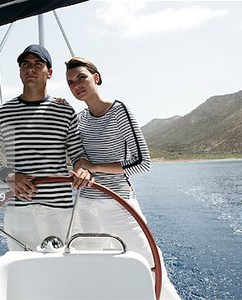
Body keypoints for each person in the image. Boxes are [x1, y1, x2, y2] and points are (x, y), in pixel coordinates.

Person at [64, 56, 181, 299]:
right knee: (91, 264)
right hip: (85, 204)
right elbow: (79, 158)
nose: (77, 85)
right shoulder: (79, 119)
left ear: (96, 78)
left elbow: (142, 162)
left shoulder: (118, 110)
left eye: (81, 77)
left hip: (119, 202)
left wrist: (94, 167)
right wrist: (82, 167)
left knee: (148, 262)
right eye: (71, 82)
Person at [0, 45, 91, 251]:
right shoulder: (1, 113)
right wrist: (10, 176)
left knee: (67, 269)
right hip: (20, 210)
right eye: (25, 64)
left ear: (49, 73)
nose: (31, 68)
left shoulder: (64, 110)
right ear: (20, 72)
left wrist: (82, 169)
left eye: (38, 64)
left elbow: (77, 153)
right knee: (23, 273)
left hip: (60, 209)